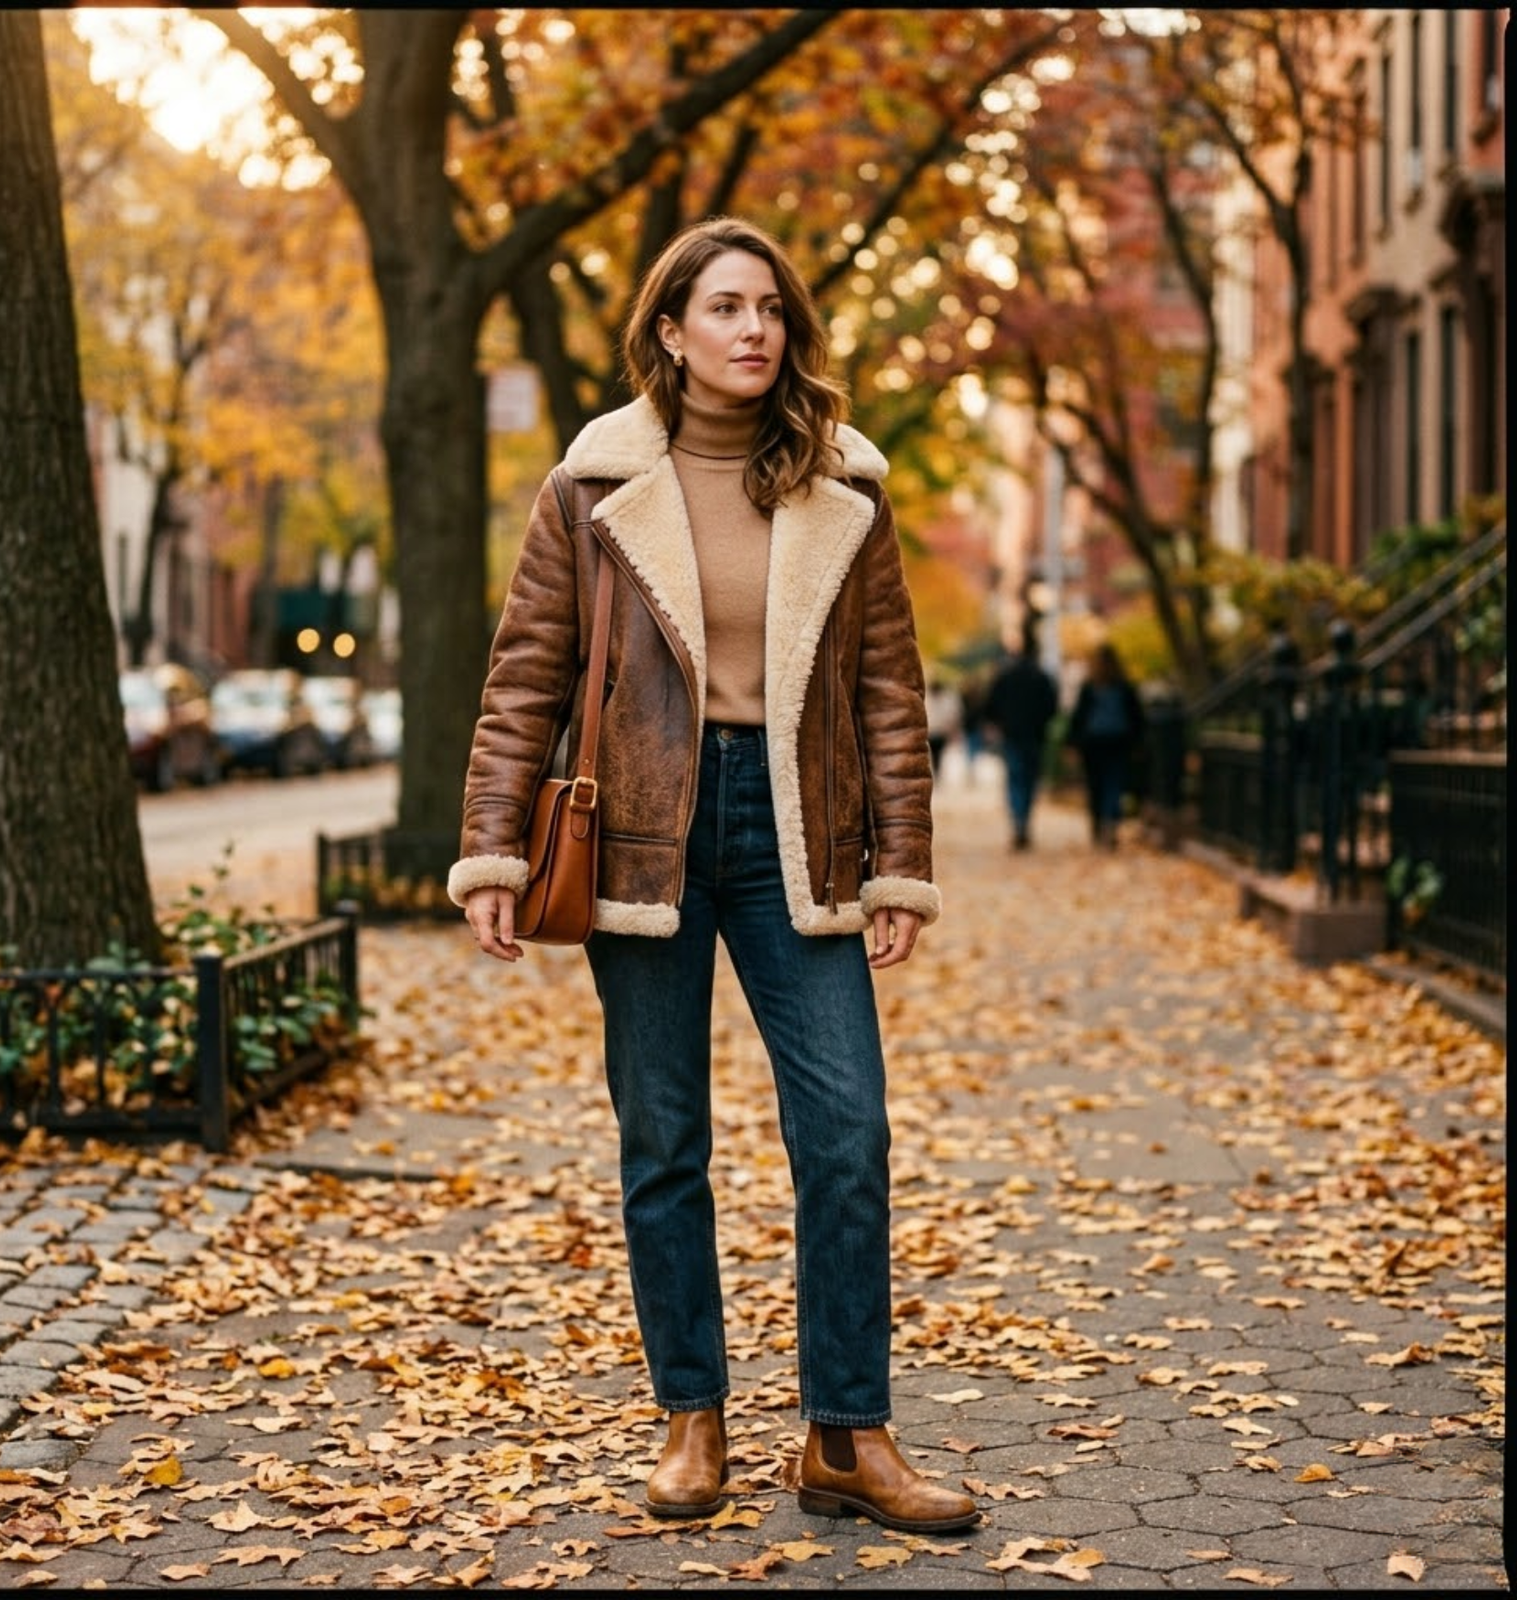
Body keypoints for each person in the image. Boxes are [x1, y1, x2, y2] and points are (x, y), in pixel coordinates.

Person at [447, 218, 979, 1535]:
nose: (755, 331)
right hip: (640, 828)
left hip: (797, 829)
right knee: (664, 1138)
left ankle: (847, 1438)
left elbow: (887, 688)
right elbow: (527, 673)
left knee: (847, 1134)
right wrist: (494, 847)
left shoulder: (843, 484)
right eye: (727, 309)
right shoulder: (591, 488)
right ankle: (694, 1418)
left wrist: (899, 865)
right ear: (671, 333)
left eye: (773, 312)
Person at [977, 636, 1059, 850]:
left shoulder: (1007, 676)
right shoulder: (1042, 677)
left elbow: (991, 704)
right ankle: (1024, 819)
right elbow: (1052, 706)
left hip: (1012, 734)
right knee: (1029, 779)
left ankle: (1018, 821)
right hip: (1034, 735)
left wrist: (998, 722)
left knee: (1015, 778)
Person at [1067, 641, 1145, 848]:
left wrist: (1073, 743)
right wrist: (1137, 743)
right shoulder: (1124, 686)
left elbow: (1079, 718)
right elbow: (1136, 718)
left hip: (1094, 744)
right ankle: (1111, 821)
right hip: (1118, 742)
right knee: (1114, 784)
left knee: (1096, 787)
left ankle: (1099, 824)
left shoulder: (1090, 687)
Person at [924, 675, 964, 782]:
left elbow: (953, 715)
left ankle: (937, 772)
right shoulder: (928, 699)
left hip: (940, 731)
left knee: (938, 754)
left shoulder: (947, 698)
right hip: (932, 731)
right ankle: (935, 772)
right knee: (933, 753)